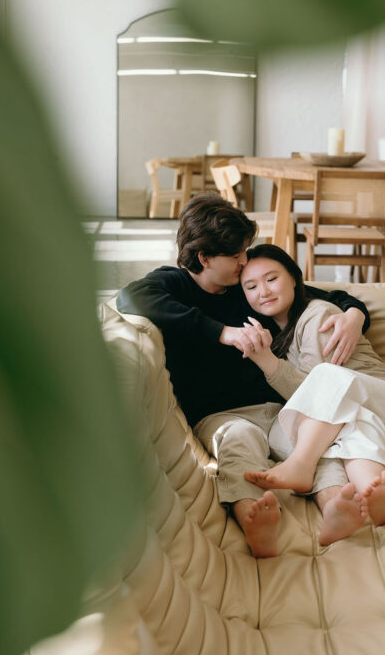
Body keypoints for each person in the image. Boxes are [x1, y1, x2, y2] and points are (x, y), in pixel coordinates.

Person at [116, 193, 371, 557]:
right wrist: (224, 332)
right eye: (235, 254)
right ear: (204, 257)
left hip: (276, 404)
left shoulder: (247, 288)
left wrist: (355, 316)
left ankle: (334, 507)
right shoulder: (173, 285)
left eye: (245, 250)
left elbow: (325, 295)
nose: (244, 260)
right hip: (220, 415)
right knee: (238, 444)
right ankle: (254, 519)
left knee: (317, 444)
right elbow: (132, 297)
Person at [235, 243, 385, 543]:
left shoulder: (319, 314)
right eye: (251, 286)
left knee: (326, 381)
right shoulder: (278, 334)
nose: (263, 291)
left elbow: (316, 394)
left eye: (271, 279)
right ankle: (373, 494)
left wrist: (268, 363)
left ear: (294, 278)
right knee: (348, 425)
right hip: (380, 426)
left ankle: (301, 464)